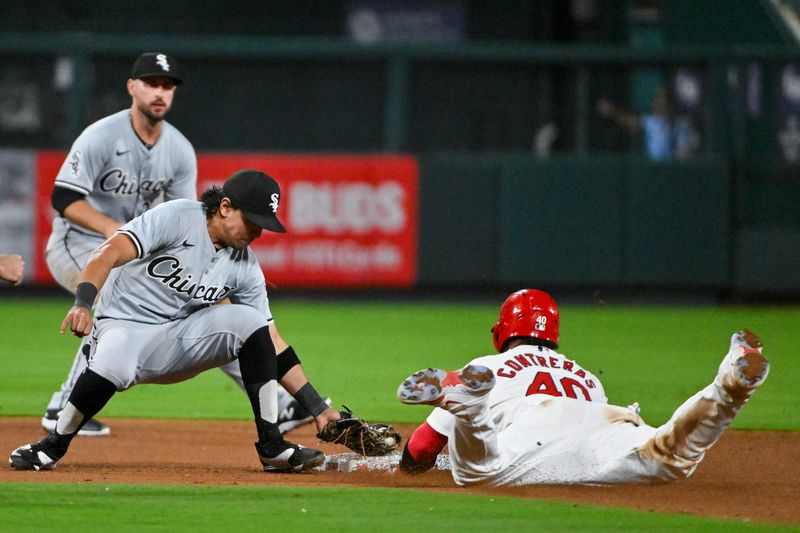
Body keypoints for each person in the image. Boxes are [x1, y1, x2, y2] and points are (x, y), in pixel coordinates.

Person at [42, 52, 314, 437]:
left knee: (201, 308)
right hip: (79, 242)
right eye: (152, 83)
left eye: (167, 86)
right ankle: (62, 405)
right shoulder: (101, 136)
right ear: (131, 87)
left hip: (137, 248)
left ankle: (282, 404)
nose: (160, 92)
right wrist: (115, 231)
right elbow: (63, 198)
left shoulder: (180, 150)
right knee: (109, 297)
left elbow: (191, 220)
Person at [9, 169, 340, 472]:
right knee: (114, 363)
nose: (257, 231)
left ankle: (271, 446)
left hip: (178, 341)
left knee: (252, 322)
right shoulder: (177, 217)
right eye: (252, 220)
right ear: (225, 207)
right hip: (124, 326)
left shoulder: (245, 266)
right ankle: (52, 446)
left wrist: (317, 407)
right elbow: (107, 253)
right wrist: (82, 302)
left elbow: (273, 340)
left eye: (263, 223)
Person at [396, 289, 769, 486]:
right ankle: (729, 387)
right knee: (668, 457)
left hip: (532, 438)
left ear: (502, 330)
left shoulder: (491, 366)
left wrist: (410, 467)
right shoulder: (587, 376)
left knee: (477, 473)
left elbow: (421, 449)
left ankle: (468, 407)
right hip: (603, 427)